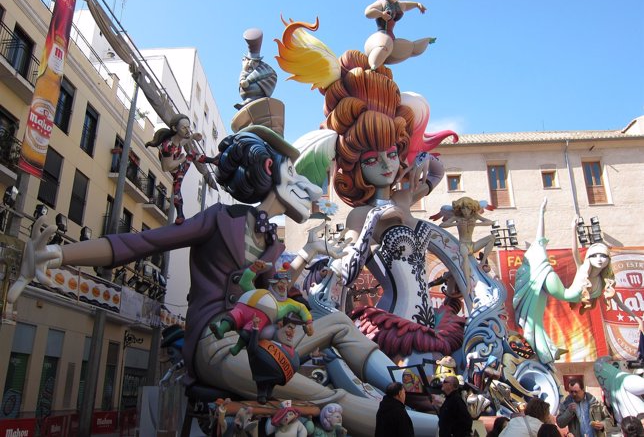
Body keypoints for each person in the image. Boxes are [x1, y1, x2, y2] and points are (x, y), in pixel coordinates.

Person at [21, 109, 439, 437]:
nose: (305, 186)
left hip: (256, 335)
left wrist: (308, 254)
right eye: (292, 172)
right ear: (269, 172)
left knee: (340, 325)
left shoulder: (272, 240)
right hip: (216, 345)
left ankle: (406, 387)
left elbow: (277, 292)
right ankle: (427, 430)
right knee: (316, 393)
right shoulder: (219, 220)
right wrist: (58, 254)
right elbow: (141, 243)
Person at [292, 49, 463, 361]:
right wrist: (372, 222)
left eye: (391, 153)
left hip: (431, 326)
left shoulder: (403, 197)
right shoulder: (359, 214)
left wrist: (419, 161)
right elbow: (348, 269)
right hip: (394, 326)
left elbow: (437, 171)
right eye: (372, 159)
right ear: (357, 165)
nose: (386, 164)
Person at [514, 198, 644, 365]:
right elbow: (575, 251)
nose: (599, 259)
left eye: (603, 256)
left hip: (564, 294)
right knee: (539, 252)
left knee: (536, 320)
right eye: (595, 255)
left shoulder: (603, 281)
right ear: (589, 257)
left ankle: (543, 350)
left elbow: (618, 301)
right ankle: (540, 219)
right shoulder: (583, 268)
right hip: (558, 288)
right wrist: (571, 227)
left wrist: (636, 318)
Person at [364, 0, 434, 69]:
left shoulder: (398, 5)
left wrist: (417, 5)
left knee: (411, 47)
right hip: (381, 36)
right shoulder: (383, 3)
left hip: (392, 38)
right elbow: (368, 12)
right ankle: (372, 68)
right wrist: (381, 14)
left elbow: (406, 5)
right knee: (384, 46)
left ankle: (428, 41)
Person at [145, 114, 215, 224]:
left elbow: (181, 143)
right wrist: (182, 159)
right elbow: (166, 167)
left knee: (191, 155)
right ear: (174, 128)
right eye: (184, 128)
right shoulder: (167, 146)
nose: (188, 130)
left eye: (188, 127)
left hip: (179, 167)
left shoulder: (176, 140)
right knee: (177, 187)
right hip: (175, 170)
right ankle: (180, 215)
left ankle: (214, 160)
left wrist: (192, 137)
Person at [439, 197, 495, 290]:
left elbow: (490, 222)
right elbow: (442, 225)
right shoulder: (457, 217)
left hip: (473, 245)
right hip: (463, 245)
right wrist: (457, 224)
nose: (465, 211)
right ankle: (468, 285)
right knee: (465, 258)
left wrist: (476, 224)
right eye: (463, 208)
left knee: (492, 238)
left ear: (471, 208)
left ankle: (482, 262)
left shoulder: (475, 216)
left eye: (467, 208)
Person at [234, 28, 277, 109]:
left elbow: (262, 73)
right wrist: (242, 80)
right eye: (248, 60)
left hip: (259, 95)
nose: (250, 63)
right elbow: (242, 77)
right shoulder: (244, 70)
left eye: (254, 62)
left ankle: (250, 101)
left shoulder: (265, 68)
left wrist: (248, 80)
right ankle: (247, 102)